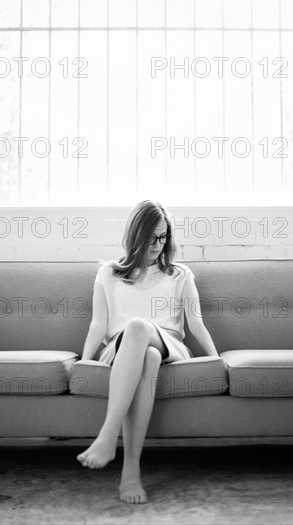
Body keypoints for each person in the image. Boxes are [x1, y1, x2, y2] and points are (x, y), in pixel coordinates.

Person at [76, 199, 219, 504]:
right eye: (151, 237)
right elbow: (98, 325)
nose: (158, 244)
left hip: (171, 345)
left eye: (164, 237)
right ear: (136, 235)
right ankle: (130, 473)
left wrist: (215, 360)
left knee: (141, 329)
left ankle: (107, 436)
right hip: (120, 348)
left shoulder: (180, 275)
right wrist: (84, 363)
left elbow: (196, 324)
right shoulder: (108, 274)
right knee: (146, 354)